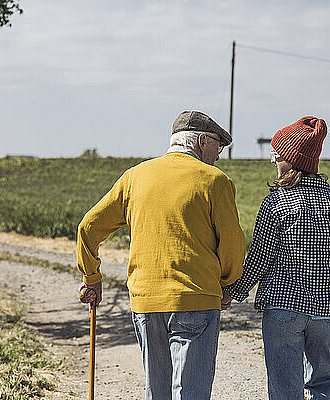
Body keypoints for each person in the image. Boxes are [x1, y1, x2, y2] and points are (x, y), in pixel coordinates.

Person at [76, 110, 246, 399]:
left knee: (158, 392)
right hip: (196, 298)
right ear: (202, 141)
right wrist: (227, 282)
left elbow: (88, 227)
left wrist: (91, 276)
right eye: (218, 145)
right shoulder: (215, 181)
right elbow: (232, 244)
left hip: (145, 302)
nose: (218, 155)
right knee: (190, 392)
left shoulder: (134, 177)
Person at [223, 116, 330, 400]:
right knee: (324, 382)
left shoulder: (275, 202)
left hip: (283, 308)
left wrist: (232, 292)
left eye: (277, 154)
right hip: (329, 309)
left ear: (290, 158)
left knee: (284, 387)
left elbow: (260, 260)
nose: (273, 159)